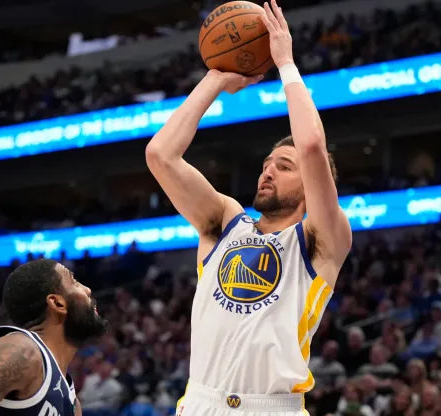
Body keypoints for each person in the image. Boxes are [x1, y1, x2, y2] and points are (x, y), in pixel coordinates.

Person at [145, 1, 351, 414]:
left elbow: (311, 146)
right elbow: (160, 155)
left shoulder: (321, 240)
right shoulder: (223, 223)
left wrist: (285, 63)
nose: (268, 172)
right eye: (266, 165)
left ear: (310, 187)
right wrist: (215, 79)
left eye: (284, 166)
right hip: (199, 402)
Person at [0, 259, 108, 416]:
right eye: (75, 282)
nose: (88, 289)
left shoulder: (73, 404)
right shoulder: (22, 350)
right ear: (57, 303)